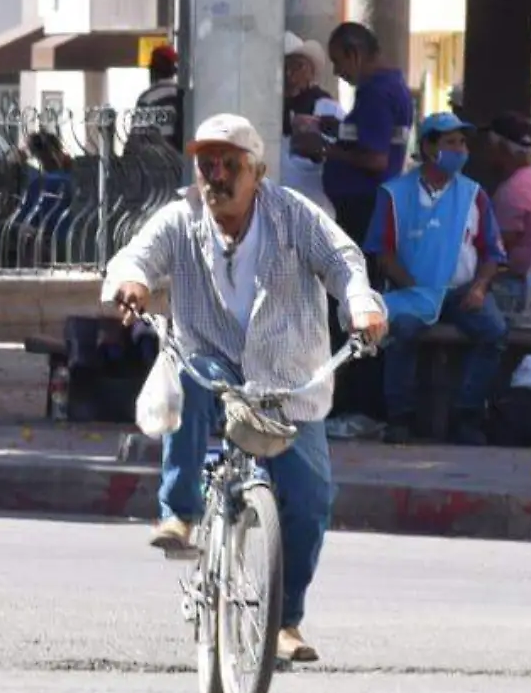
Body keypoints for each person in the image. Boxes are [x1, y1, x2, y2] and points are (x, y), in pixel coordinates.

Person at [103, 113, 388, 663]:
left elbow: (343, 262)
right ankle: (179, 512)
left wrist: (360, 305)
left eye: (229, 165)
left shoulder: (292, 215)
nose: (216, 177)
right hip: (209, 356)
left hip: (286, 374)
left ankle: (286, 621)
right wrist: (133, 282)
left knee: (310, 502)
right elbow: (136, 256)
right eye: (207, 165)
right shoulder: (180, 217)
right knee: (188, 377)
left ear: (256, 171)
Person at [365, 112, 509, 446]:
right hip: (412, 292)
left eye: (462, 142)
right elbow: (382, 254)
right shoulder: (394, 194)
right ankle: (400, 418)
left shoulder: (475, 195)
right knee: (401, 331)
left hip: (461, 293)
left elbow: (492, 254)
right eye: (450, 142)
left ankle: (467, 415)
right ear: (429, 147)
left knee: (495, 333)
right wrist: (414, 288)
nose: (460, 149)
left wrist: (479, 287)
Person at [324, 21, 414, 247]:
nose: (337, 72)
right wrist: (338, 128)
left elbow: (376, 159)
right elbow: (375, 133)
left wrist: (326, 150)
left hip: (363, 208)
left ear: (354, 54)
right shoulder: (391, 86)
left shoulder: (376, 92)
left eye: (337, 62)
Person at [479, 112, 531, 311]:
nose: (486, 153)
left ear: (501, 149)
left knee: (456, 301)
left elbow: (495, 250)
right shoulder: (528, 181)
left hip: (528, 288)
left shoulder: (515, 190)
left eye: (489, 147)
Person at [280, 32, 339, 217]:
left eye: (298, 66)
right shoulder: (267, 109)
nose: (290, 74)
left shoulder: (328, 108)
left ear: (311, 71)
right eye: (284, 66)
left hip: (315, 212)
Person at [128, 44, 183, 153]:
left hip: (156, 163)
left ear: (152, 69)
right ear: (174, 71)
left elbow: (136, 138)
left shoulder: (147, 98)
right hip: (182, 162)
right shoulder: (182, 94)